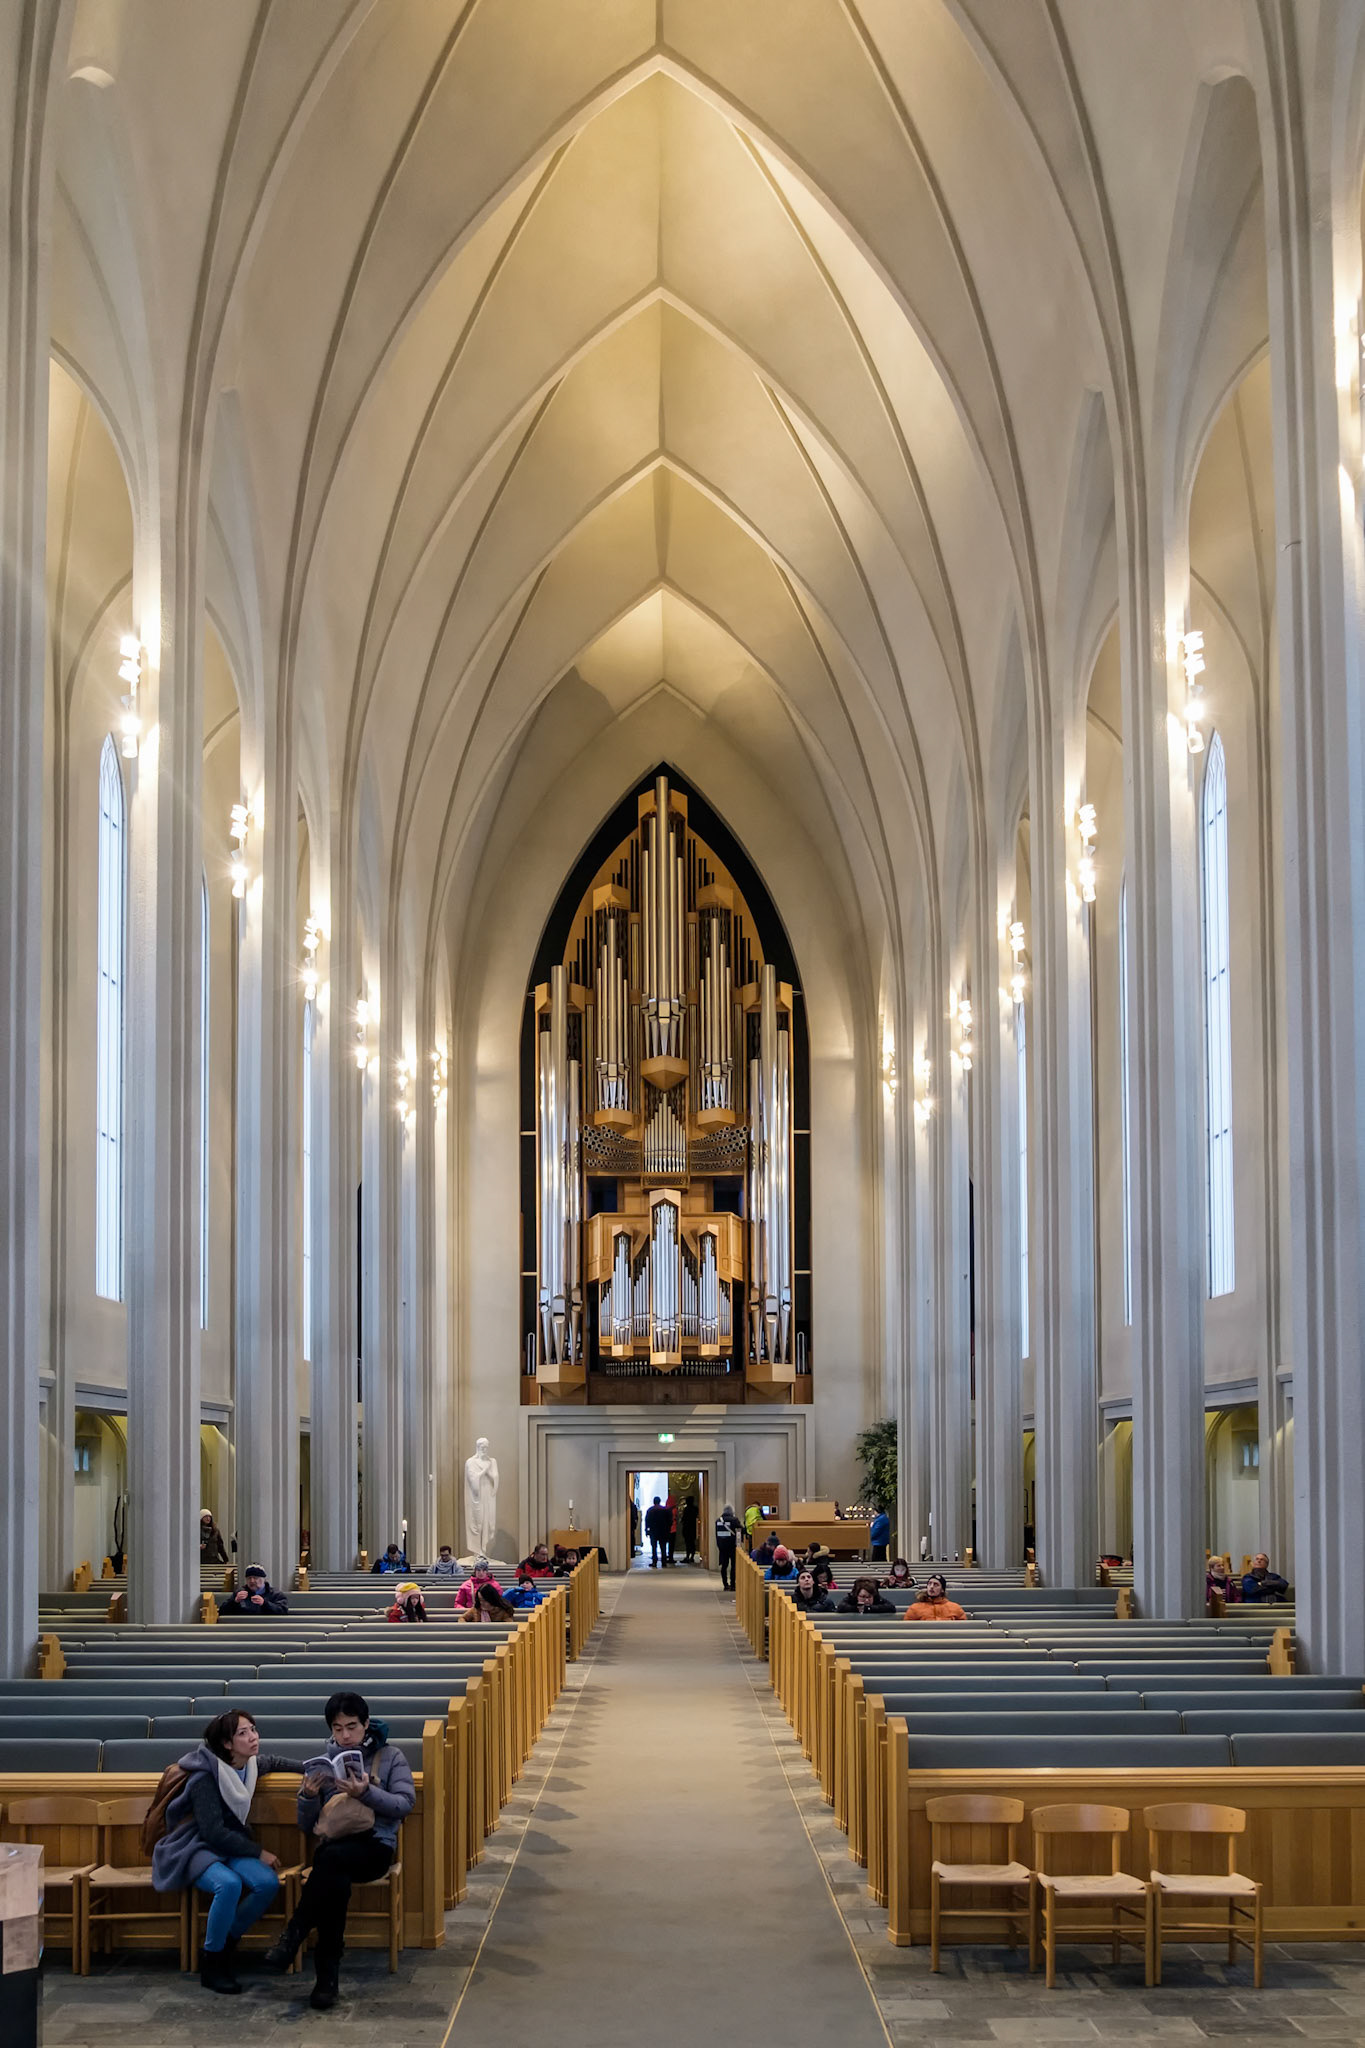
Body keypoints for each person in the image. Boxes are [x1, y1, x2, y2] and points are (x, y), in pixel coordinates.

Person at [264, 1691, 414, 2011]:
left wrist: (366, 1793)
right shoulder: (325, 1763)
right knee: (334, 1879)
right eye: (337, 1728)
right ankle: (325, 1982)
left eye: (352, 1727)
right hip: (336, 1851)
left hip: (375, 1847)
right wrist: (306, 1796)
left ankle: (296, 1937)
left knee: (329, 1866)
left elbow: (404, 1805)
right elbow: (308, 1826)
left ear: (366, 1724)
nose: (345, 1735)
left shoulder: (390, 1757)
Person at [151, 1708, 299, 1995]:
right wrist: (259, 1852)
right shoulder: (204, 1776)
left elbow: (276, 1762)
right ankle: (213, 1963)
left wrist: (313, 1767)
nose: (253, 1737)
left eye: (253, 1729)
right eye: (243, 1733)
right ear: (227, 1744)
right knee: (228, 1885)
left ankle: (227, 1943)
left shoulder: (249, 1764)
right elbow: (212, 1832)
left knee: (267, 1883)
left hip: (229, 1844)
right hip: (194, 1845)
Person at [217, 1564, 289, 1618]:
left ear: (263, 1579)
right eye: (249, 1578)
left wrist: (265, 1604)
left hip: (268, 1628)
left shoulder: (275, 1594)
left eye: (255, 1578)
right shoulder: (239, 1593)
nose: (252, 1581)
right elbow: (222, 1612)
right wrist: (234, 1602)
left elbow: (283, 1611)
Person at [714, 1503, 741, 1590]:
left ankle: (725, 1584)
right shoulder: (734, 1520)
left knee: (724, 1565)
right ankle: (733, 1585)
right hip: (732, 1546)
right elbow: (741, 1529)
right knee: (733, 1566)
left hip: (722, 1546)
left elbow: (716, 1534)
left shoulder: (718, 1520)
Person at [644, 1496, 671, 1569]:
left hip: (653, 1531)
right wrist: (668, 1530)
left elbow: (647, 1521)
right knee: (663, 1547)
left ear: (654, 1502)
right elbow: (669, 1521)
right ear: (659, 1501)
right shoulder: (665, 1510)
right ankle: (664, 1562)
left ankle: (654, 1562)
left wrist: (647, 1530)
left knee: (654, 1547)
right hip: (663, 1531)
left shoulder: (650, 1510)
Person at [679, 1494, 699, 1565]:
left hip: (687, 1528)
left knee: (688, 1543)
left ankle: (687, 1556)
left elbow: (683, 1519)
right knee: (692, 1543)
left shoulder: (686, 1509)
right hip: (693, 1528)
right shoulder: (696, 1509)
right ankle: (692, 1556)